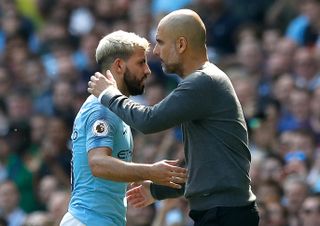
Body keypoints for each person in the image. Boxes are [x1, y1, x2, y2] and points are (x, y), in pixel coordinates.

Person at [87, 9, 259, 226]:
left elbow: (149, 121)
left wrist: (108, 93)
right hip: (221, 213)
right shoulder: (205, 81)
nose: (156, 51)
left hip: (225, 215)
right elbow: (204, 165)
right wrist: (157, 190)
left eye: (160, 42)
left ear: (181, 44)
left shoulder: (203, 81)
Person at [60, 30, 187, 226]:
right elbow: (98, 164)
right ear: (119, 65)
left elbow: (106, 173)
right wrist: (150, 171)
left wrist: (148, 184)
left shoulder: (115, 108)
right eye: (140, 62)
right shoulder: (101, 107)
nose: (147, 70)